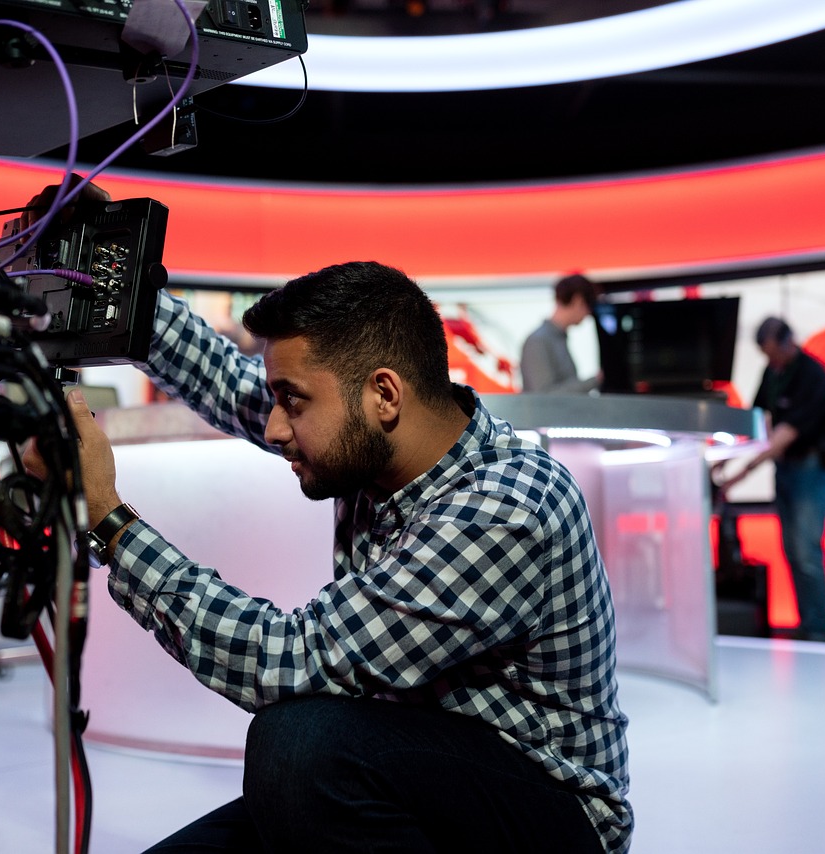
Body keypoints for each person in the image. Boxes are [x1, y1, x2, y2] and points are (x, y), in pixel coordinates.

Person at [33, 257, 632, 851]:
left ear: (384, 395)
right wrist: (112, 279)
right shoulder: (371, 445)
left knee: (301, 743)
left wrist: (109, 521)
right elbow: (222, 379)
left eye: (292, 401)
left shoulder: (508, 508)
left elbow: (288, 660)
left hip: (550, 815)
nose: (274, 428)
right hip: (405, 774)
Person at [721, 316, 825, 642]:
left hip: (810, 468)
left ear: (788, 342)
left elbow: (784, 435)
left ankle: (818, 630)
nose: (770, 361)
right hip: (786, 469)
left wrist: (742, 472)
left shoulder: (812, 375)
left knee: (805, 550)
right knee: (792, 550)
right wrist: (724, 458)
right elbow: (757, 421)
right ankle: (808, 625)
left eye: (773, 353)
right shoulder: (774, 374)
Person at [519, 273, 602, 393]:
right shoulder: (538, 341)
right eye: (589, 305)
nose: (588, 313)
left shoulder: (557, 338)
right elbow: (545, 395)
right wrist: (594, 381)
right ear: (578, 300)